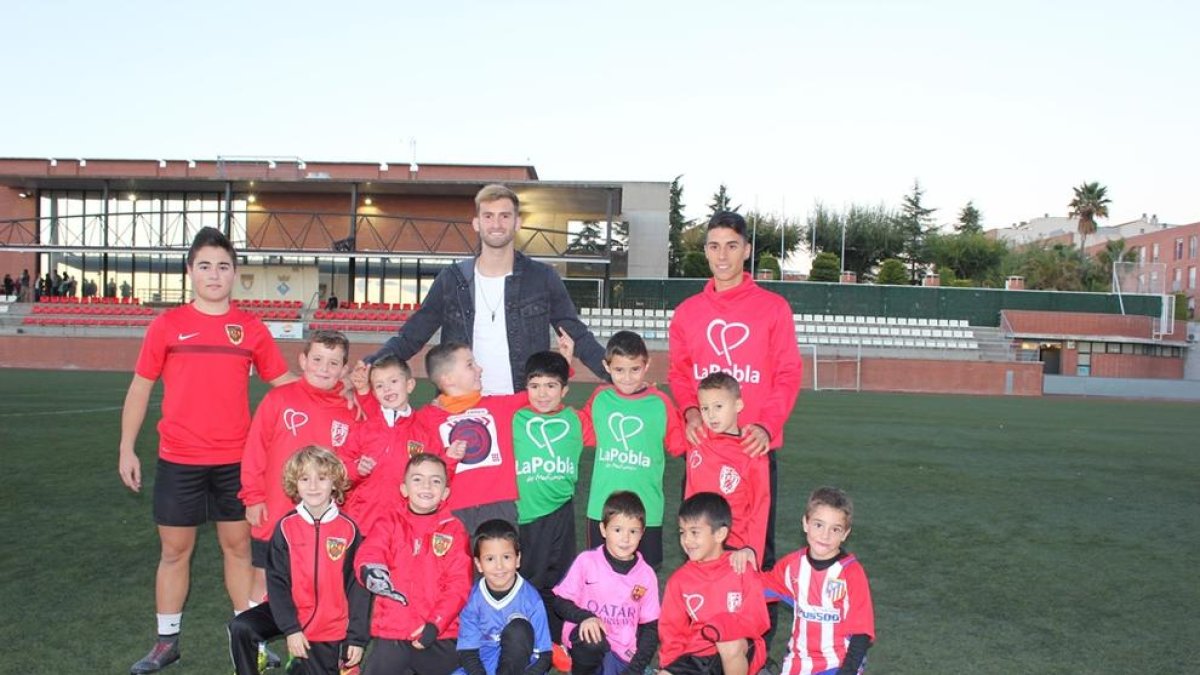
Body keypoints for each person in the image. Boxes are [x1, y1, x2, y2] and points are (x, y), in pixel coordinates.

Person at [118, 226, 294, 674]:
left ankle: (248, 638)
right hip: (179, 460)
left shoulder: (251, 329)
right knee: (175, 551)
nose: (214, 275)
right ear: (190, 272)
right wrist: (127, 448)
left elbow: (285, 384)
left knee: (238, 549)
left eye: (223, 266)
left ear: (235, 274)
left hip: (236, 462)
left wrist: (335, 391)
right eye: (205, 266)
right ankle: (166, 642)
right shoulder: (168, 325)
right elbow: (140, 388)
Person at [359, 183, 606, 395]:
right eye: (488, 216)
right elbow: (411, 336)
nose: (496, 224)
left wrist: (615, 373)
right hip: (462, 405)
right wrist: (371, 364)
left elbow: (578, 336)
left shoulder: (542, 277)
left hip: (520, 404)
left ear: (517, 222)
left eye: (505, 216)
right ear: (476, 223)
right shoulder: (452, 279)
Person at [668, 211, 804, 574]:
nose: (722, 255)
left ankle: (757, 629)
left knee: (756, 547)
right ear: (706, 251)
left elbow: (789, 373)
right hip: (704, 452)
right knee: (698, 543)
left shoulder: (774, 309)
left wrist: (767, 426)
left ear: (746, 250)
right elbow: (679, 374)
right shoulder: (686, 313)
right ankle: (699, 627)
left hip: (752, 448)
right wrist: (690, 412)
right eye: (714, 246)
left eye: (732, 246)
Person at [239, 330, 358, 604]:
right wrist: (253, 497)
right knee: (265, 576)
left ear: (344, 369)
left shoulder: (351, 409)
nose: (324, 369)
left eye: (333, 363)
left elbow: (352, 461)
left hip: (325, 516)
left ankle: (311, 640)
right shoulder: (279, 399)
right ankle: (255, 640)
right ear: (303, 360)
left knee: (318, 579)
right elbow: (255, 450)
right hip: (276, 509)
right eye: (317, 360)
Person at [227, 447, 369, 675]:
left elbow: (358, 589)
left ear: (335, 483)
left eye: (322, 478)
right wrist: (291, 629)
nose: (313, 486)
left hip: (327, 625)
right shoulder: (285, 528)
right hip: (289, 611)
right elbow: (277, 582)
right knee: (242, 627)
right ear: (296, 484)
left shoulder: (349, 530)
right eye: (305, 479)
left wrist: (357, 638)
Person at [354, 453, 473, 675]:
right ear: (404, 489)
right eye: (417, 479)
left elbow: (459, 584)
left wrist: (435, 624)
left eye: (435, 480)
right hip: (393, 631)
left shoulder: (454, 529)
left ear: (445, 492)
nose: (426, 485)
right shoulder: (388, 521)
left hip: (439, 632)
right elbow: (371, 550)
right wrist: (371, 570)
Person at [511, 350, 595, 653]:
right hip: (526, 516)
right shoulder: (515, 417)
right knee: (527, 579)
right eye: (535, 386)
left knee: (559, 581)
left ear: (565, 389)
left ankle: (557, 640)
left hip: (561, 512)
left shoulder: (575, 420)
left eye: (551, 386)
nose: (542, 394)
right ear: (525, 388)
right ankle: (525, 638)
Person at [582, 330, 688, 569]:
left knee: (643, 578)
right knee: (599, 576)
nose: (627, 378)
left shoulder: (660, 403)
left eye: (635, 369)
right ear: (606, 367)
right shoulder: (600, 399)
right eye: (619, 370)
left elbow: (681, 444)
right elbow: (579, 432)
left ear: (647, 364)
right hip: (602, 510)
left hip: (646, 512)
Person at [413, 342, 531, 536]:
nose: (479, 368)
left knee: (500, 566)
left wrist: (563, 364)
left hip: (499, 507)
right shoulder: (424, 419)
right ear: (448, 379)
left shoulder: (500, 406)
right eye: (470, 365)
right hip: (451, 510)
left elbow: (540, 394)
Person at [755, 487, 875, 675]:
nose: (825, 535)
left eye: (835, 529)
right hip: (797, 662)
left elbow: (862, 633)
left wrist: (847, 671)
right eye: (818, 525)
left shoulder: (851, 573)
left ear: (845, 534)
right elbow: (756, 589)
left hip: (838, 663)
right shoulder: (792, 565)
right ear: (805, 523)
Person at [657, 493, 769, 675]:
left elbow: (758, 620)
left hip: (739, 649)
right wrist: (668, 667)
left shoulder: (740, 568)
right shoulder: (679, 580)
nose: (687, 540)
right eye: (682, 532)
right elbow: (671, 631)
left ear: (720, 534)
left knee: (728, 644)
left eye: (694, 532)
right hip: (698, 655)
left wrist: (723, 626)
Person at [552, 491, 660, 675]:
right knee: (593, 640)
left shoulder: (646, 575)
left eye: (633, 531)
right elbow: (560, 603)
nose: (625, 539)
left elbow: (650, 629)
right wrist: (585, 617)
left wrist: (634, 669)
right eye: (617, 530)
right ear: (603, 529)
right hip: (587, 641)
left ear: (642, 533)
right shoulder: (587, 561)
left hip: (623, 654)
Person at [337, 354, 443, 539]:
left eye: (393, 381)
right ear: (374, 392)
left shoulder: (425, 432)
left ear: (409, 385)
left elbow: (439, 474)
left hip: (405, 527)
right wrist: (356, 469)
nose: (387, 389)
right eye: (379, 385)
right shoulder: (363, 428)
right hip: (362, 524)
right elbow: (339, 467)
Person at [684, 372, 770, 562]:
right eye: (704, 408)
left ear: (738, 405)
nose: (711, 415)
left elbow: (760, 506)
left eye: (718, 407)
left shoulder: (751, 451)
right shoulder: (696, 438)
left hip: (734, 547)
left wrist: (752, 549)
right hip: (696, 543)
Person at [454, 519, 553, 675]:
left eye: (506, 557)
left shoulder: (532, 600)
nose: (499, 566)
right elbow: (468, 652)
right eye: (490, 559)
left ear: (518, 559)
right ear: (478, 564)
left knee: (519, 629)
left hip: (521, 666)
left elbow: (544, 656)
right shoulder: (474, 598)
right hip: (484, 665)